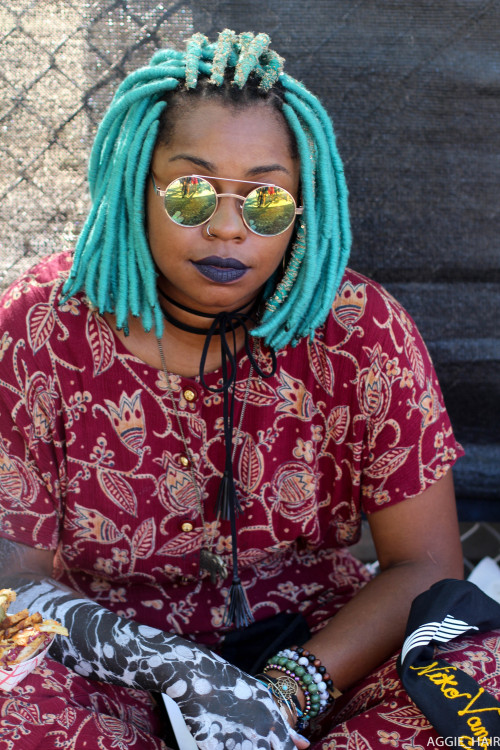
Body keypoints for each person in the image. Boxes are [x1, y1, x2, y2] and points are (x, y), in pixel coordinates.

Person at [0, 29, 498, 749]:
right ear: (137, 184)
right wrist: (181, 674)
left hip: (321, 652)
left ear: (303, 210)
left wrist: (280, 695)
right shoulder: (39, 330)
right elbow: (14, 574)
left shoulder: (362, 332)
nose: (228, 227)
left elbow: (423, 565)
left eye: (264, 200)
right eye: (192, 191)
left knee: (483, 692)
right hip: (107, 667)